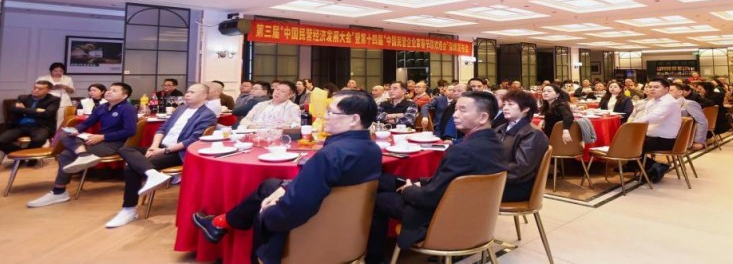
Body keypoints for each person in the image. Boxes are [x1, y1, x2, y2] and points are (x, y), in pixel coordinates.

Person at [191, 90, 382, 263]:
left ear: (354, 119)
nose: (325, 116)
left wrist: (265, 213)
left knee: (263, 205)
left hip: (313, 233)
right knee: (270, 185)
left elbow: (292, 211)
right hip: (348, 229)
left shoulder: (330, 155)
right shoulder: (372, 149)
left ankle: (228, 228)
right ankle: (221, 223)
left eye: (331, 112)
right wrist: (286, 186)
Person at [367, 91, 507, 263]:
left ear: (483, 117)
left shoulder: (462, 151)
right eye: (456, 109)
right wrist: (419, 183)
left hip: (441, 215)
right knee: (386, 181)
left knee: (378, 198)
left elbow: (429, 198)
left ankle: (375, 258)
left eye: (463, 110)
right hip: (471, 210)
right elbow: (454, 182)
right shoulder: (496, 143)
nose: (455, 115)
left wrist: (409, 190)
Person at [106, 84, 215, 228]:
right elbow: (162, 129)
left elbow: (192, 141)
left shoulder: (207, 115)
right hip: (160, 147)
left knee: (131, 167)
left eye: (192, 92)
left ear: (204, 96)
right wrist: (154, 147)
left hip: (178, 152)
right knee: (125, 149)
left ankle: (129, 210)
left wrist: (164, 151)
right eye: (187, 91)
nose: (187, 94)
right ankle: (152, 174)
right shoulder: (181, 109)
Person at [27, 83, 137, 207]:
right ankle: (82, 156)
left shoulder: (128, 109)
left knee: (66, 154)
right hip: (98, 140)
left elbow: (130, 131)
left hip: (115, 143)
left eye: (114, 91)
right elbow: (86, 123)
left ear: (124, 96)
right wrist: (76, 130)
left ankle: (59, 191)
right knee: (66, 133)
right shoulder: (102, 107)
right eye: (109, 89)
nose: (109, 92)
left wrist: (103, 137)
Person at [495, 89, 549, 202]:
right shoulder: (501, 128)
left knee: (467, 191)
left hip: (518, 185)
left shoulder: (533, 133)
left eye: (510, 104)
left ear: (525, 109)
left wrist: (491, 173)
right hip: (500, 178)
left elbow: (520, 168)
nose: (505, 108)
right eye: (504, 104)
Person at [627, 78, 681, 183]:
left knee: (631, 147)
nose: (652, 89)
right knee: (627, 143)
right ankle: (649, 167)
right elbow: (645, 117)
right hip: (653, 135)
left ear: (666, 89)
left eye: (656, 87)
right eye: (650, 87)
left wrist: (632, 123)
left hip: (664, 139)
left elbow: (654, 117)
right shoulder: (653, 101)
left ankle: (653, 167)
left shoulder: (669, 102)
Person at [0, 81, 60, 155]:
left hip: (40, 127)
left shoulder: (54, 100)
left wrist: (24, 110)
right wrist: (36, 110)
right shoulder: (23, 98)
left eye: (40, 89)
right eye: (35, 88)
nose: (36, 90)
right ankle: (23, 156)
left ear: (48, 90)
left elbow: (47, 114)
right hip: (19, 126)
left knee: (39, 140)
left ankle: (28, 158)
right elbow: (13, 109)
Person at [669, 83, 708, 150]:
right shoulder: (664, 104)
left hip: (680, 135)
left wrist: (698, 141)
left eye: (671, 90)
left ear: (680, 92)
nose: (668, 93)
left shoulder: (689, 104)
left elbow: (702, 122)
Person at [36, 62, 75, 126]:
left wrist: (65, 87)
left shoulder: (68, 79)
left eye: (60, 71)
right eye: (55, 71)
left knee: (61, 120)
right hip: (47, 101)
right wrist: (51, 88)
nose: (58, 73)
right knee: (47, 119)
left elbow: (72, 91)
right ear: (51, 71)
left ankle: (58, 132)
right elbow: (37, 89)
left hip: (63, 102)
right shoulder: (42, 78)